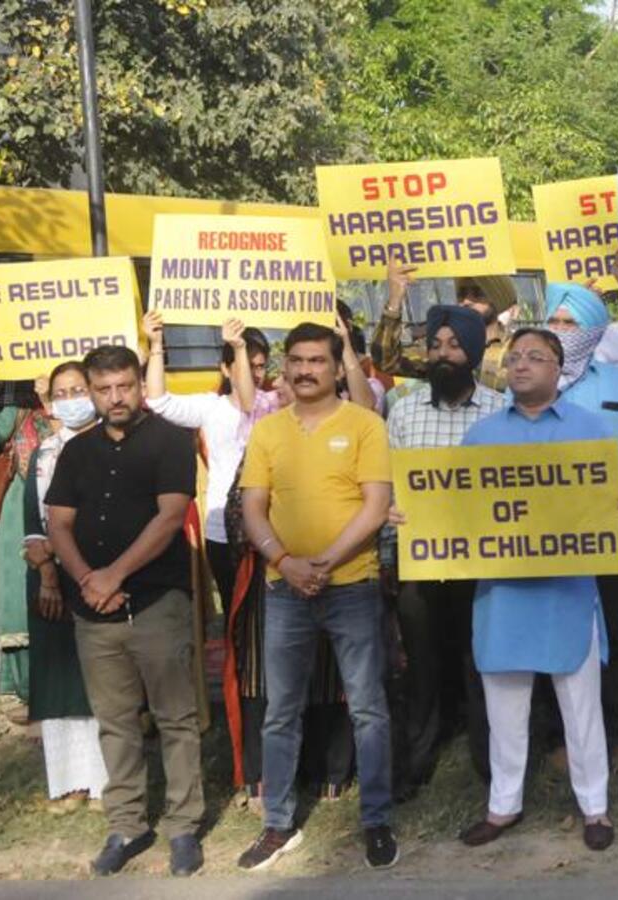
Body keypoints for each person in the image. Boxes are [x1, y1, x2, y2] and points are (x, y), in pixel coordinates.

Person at [451, 327, 618, 852]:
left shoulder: (592, 430)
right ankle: (502, 806)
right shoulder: (482, 437)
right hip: (504, 593)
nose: (521, 364)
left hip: (567, 592)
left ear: (559, 369)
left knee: (581, 707)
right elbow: (456, 508)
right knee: (504, 708)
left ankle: (595, 808)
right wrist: (416, 518)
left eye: (535, 356)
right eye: (514, 357)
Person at [236, 322, 396, 871]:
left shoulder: (365, 425)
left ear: (335, 367)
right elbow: (253, 507)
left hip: (352, 586)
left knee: (368, 707)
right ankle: (278, 824)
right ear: (286, 367)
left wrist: (326, 561)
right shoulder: (268, 431)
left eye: (317, 361)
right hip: (284, 589)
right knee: (280, 710)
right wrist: (285, 562)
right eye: (297, 361)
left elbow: (376, 506)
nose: (306, 370)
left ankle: (377, 820)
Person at [43, 345, 203, 876]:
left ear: (139, 385)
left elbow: (170, 516)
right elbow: (58, 522)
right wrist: (89, 580)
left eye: (125, 386)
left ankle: (183, 826)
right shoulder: (77, 452)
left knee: (175, 718)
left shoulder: (170, 441)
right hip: (93, 611)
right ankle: (128, 824)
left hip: (156, 603)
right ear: (92, 392)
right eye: (104, 389)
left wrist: (114, 575)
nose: (116, 398)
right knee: (115, 723)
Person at [385, 304, 506, 798]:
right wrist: (391, 523)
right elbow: (390, 486)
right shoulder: (403, 410)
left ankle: (491, 765)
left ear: (473, 353)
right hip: (421, 563)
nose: (442, 354)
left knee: (481, 665)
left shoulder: (501, 411)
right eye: (435, 345)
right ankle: (417, 763)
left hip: (484, 566)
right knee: (423, 666)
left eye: (454, 346)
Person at [542, 282, 618, 772]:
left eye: (570, 323)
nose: (560, 330)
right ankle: (561, 736)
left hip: (611, 528)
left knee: (616, 628)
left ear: (593, 330)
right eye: (554, 320)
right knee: (556, 629)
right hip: (546, 534)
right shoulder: (525, 386)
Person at [20, 362, 108, 811]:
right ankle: (70, 782)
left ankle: (105, 781)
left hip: (98, 572)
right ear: (50, 401)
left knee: (101, 676)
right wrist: (47, 573)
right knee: (58, 678)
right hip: (48, 577)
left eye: (78, 390)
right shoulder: (45, 453)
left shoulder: (110, 447)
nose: (71, 399)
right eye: (62, 392)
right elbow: (32, 522)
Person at [142, 312, 272, 608]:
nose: (254, 373)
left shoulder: (277, 404)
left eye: (260, 366)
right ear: (225, 368)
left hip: (274, 526)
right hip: (223, 528)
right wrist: (156, 344)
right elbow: (158, 401)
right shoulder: (211, 407)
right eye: (245, 364)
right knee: (234, 611)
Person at [0, 382, 56, 706]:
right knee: (22, 596)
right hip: (25, 511)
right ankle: (26, 685)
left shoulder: (65, 404)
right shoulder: (13, 404)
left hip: (44, 511)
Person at [374, 261, 518, 391]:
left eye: (477, 294)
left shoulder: (517, 348)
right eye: (462, 294)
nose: (466, 301)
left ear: (497, 299)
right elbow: (387, 361)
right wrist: (395, 300)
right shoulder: (441, 347)